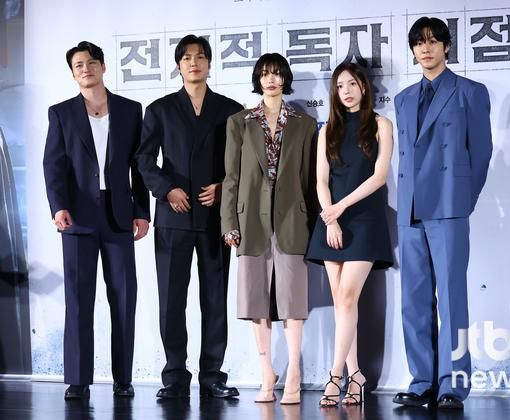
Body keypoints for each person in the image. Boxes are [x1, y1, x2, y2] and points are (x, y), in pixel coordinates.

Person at [392, 17, 492, 409]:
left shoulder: (469, 92)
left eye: (434, 41)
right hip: (412, 209)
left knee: (452, 299)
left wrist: (462, 200)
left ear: (447, 46)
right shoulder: (403, 99)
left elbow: (480, 153)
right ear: (413, 50)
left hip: (449, 205)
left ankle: (453, 383)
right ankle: (422, 381)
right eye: (419, 43)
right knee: (413, 299)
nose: (426, 48)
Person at [135, 35, 243, 400]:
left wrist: (224, 187)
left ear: (210, 63)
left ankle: (212, 375)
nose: (193, 62)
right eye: (186, 58)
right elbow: (144, 160)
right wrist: (167, 189)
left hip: (214, 217)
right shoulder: (160, 109)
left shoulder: (230, 110)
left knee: (215, 299)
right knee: (172, 301)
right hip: (173, 216)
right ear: (178, 65)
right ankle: (174, 376)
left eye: (199, 57)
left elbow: (242, 163)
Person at [43, 41, 150, 400]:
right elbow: (53, 164)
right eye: (78, 65)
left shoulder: (130, 110)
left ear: (103, 67)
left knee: (124, 297)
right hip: (77, 217)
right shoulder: (61, 113)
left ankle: (123, 378)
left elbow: (139, 166)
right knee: (78, 298)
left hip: (119, 215)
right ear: (72, 73)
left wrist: (142, 211)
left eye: (91, 62)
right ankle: (78, 380)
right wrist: (58, 206)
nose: (85, 69)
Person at [221, 53, 316, 405]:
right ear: (258, 80)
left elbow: (310, 178)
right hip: (250, 220)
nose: (271, 79)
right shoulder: (239, 122)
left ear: (285, 78)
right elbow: (231, 177)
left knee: (292, 300)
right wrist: (228, 221)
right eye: (264, 74)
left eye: (276, 73)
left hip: (293, 218)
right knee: (256, 299)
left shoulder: (304, 124)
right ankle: (266, 373)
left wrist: (314, 221)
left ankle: (294, 372)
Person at [306, 62, 393, 407]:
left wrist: (340, 208)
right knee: (344, 304)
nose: (346, 91)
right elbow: (320, 181)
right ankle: (355, 375)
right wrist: (331, 219)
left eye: (352, 84)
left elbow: (379, 177)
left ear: (364, 87)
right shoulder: (328, 130)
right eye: (340, 85)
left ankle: (334, 375)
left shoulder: (381, 125)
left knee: (346, 298)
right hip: (331, 222)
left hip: (364, 219)